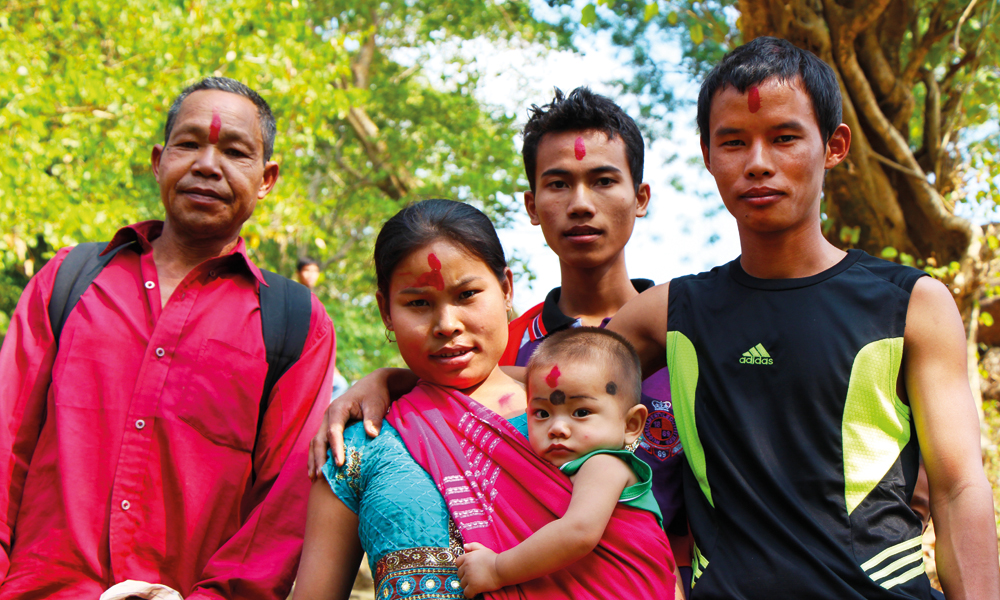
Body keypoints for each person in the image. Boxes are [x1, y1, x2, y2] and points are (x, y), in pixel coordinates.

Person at [605, 37, 999, 598]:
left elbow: (959, 487)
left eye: (784, 138)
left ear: (834, 146)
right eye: (733, 142)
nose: (758, 163)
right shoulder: (666, 313)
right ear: (708, 155)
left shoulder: (912, 303)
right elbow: (551, 401)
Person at [307, 87, 693, 587]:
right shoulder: (506, 346)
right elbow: (452, 390)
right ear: (532, 204)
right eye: (559, 184)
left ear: (640, 197)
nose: (581, 204)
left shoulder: (685, 338)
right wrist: (384, 380)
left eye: (602, 181)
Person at [0, 77, 335, 599]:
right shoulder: (68, 279)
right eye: (189, 143)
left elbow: (281, 507)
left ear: (266, 179)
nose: (208, 165)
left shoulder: (295, 323)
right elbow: (6, 443)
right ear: (159, 161)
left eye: (235, 152)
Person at [457, 327, 679, 598]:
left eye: (581, 412)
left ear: (631, 424)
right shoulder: (560, 468)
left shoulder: (605, 465)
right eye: (542, 413)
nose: (557, 428)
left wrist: (496, 569)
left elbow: (579, 532)